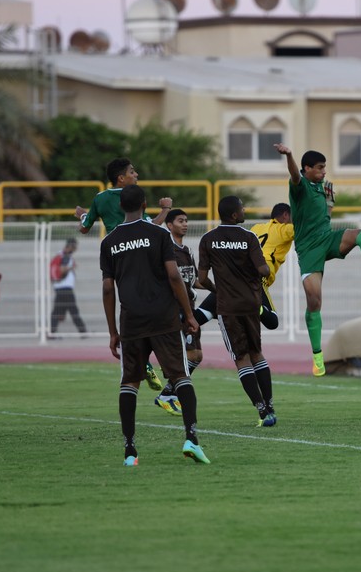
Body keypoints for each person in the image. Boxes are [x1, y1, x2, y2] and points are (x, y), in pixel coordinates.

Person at [274, 143, 361, 377]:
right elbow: (294, 175)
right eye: (320, 168)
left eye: (325, 167)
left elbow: (324, 217)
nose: (325, 171)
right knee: (314, 302)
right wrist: (289, 155)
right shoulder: (300, 186)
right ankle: (317, 356)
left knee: (360, 235)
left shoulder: (322, 188)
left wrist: (330, 205)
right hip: (308, 250)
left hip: (327, 238)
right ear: (307, 168)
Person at [100, 185, 207, 465]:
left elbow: (108, 289)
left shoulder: (109, 241)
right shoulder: (159, 233)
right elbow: (173, 276)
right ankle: (192, 439)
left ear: (121, 206)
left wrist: (113, 331)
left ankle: (130, 451)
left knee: (130, 382)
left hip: (131, 321)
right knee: (180, 376)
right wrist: (190, 315)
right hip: (164, 318)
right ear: (145, 204)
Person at [75, 157, 170, 390]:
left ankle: (139, 356)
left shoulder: (100, 198)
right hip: (143, 253)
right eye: (132, 171)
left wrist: (81, 214)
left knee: (127, 301)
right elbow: (154, 224)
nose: (136, 175)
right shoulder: (135, 196)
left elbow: (85, 228)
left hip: (117, 254)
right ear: (121, 178)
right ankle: (159, 352)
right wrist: (166, 208)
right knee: (160, 291)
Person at [198, 196, 277, 426]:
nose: (244, 210)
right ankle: (270, 403)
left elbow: (202, 279)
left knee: (241, 358)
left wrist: (218, 289)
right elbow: (263, 269)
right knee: (257, 353)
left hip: (228, 307)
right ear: (234, 215)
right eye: (242, 208)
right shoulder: (248, 237)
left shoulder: (208, 239)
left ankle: (261, 409)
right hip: (251, 304)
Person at [194, 202, 293, 330]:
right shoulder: (286, 228)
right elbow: (308, 230)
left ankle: (180, 320)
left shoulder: (257, 228)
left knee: (199, 316)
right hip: (256, 279)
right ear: (286, 215)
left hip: (233, 277)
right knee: (272, 322)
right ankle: (255, 307)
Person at [152, 208, 202, 417]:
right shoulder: (166, 250)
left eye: (186, 220)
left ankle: (168, 393)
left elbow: (194, 280)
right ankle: (168, 394)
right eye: (180, 220)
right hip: (175, 311)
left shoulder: (187, 251)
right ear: (169, 225)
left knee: (195, 356)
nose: (185, 224)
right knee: (189, 355)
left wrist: (219, 287)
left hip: (189, 307)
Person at [48, 237, 87, 338]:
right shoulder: (65, 256)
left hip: (61, 288)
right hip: (65, 289)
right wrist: (71, 267)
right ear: (70, 246)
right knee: (73, 311)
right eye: (74, 247)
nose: (75, 249)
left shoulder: (61, 255)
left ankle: (52, 332)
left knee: (57, 312)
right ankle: (83, 331)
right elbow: (61, 270)